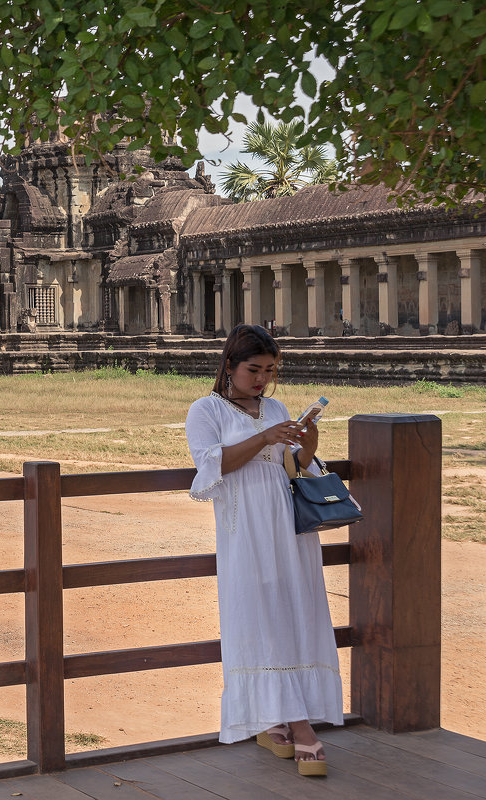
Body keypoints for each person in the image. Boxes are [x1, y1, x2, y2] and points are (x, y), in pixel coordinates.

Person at [184, 324, 341, 777]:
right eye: (254, 369)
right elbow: (212, 466)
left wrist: (306, 445)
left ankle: (276, 722)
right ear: (229, 365)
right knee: (259, 616)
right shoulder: (205, 410)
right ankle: (301, 728)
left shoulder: (274, 406)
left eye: (270, 371)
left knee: (295, 612)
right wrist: (264, 438)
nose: (262, 380)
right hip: (245, 529)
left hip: (288, 527)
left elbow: (294, 466)